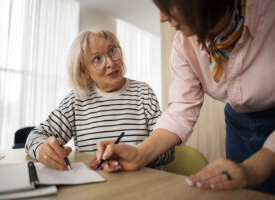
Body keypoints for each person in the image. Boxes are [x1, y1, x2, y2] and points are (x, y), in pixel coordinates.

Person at [89, 0, 275, 194]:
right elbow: (180, 109)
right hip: (239, 123)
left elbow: (254, 170)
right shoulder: (183, 43)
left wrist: (254, 169)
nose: (162, 17)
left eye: (168, 5)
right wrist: (139, 154)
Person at [25, 29, 174, 171]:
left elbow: (168, 151)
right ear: (84, 71)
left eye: (112, 51)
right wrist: (42, 150)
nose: (110, 62)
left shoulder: (143, 93)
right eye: (97, 59)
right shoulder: (76, 100)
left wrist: (135, 155)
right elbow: (35, 137)